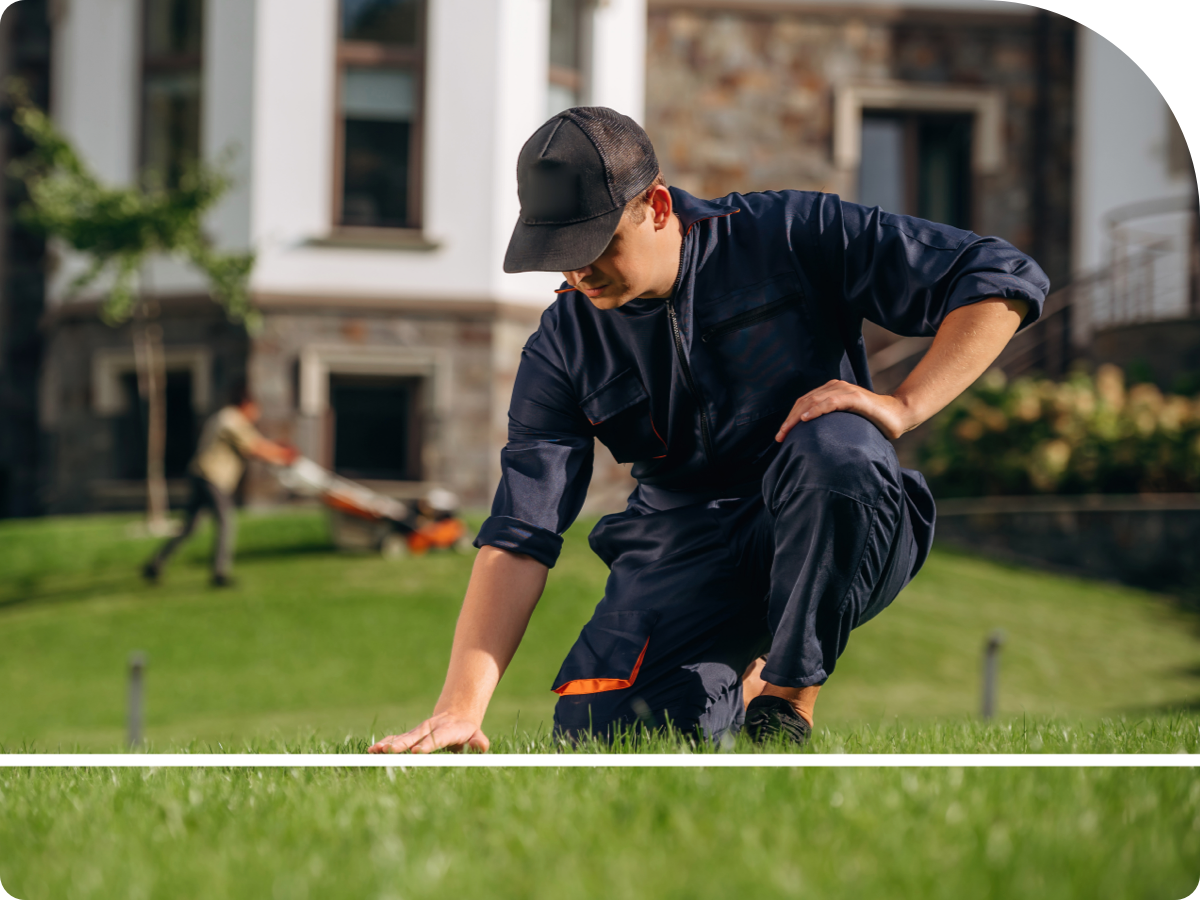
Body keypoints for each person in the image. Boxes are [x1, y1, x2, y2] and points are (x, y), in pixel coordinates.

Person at [369, 107, 1048, 753]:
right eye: (560, 254)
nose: (578, 273)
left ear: (657, 207)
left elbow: (1000, 279)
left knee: (837, 444)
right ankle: (741, 683)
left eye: (594, 245)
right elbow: (521, 534)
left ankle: (785, 694)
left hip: (836, 508)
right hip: (684, 542)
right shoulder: (563, 344)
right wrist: (461, 707)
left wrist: (903, 404)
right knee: (605, 731)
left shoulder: (788, 234)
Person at [143, 383, 297, 587]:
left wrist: (277, 451)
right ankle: (220, 573)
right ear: (246, 404)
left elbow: (256, 444)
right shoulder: (232, 420)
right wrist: (283, 455)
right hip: (212, 477)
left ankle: (156, 563)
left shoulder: (222, 417)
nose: (257, 414)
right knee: (226, 521)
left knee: (190, 526)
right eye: (255, 408)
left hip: (200, 474)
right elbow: (254, 447)